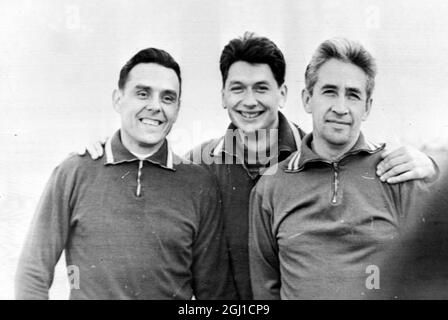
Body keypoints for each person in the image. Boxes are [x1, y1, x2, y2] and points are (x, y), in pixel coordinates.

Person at [81, 33, 438, 300]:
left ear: (283, 94)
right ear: (222, 96)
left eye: (262, 88)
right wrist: (103, 152)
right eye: (237, 88)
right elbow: (143, 173)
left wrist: (434, 163)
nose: (249, 101)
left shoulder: (329, 157)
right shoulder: (198, 165)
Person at [16, 48, 235, 300]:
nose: (155, 106)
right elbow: (33, 273)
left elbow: (216, 293)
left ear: (177, 108)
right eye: (142, 93)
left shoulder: (198, 184)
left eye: (167, 98)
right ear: (118, 99)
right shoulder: (75, 171)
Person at [249, 38, 432, 300]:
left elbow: (427, 277)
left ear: (367, 107)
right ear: (307, 99)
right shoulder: (270, 186)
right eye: (329, 91)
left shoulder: (398, 174)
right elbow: (265, 289)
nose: (340, 108)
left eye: (353, 95)